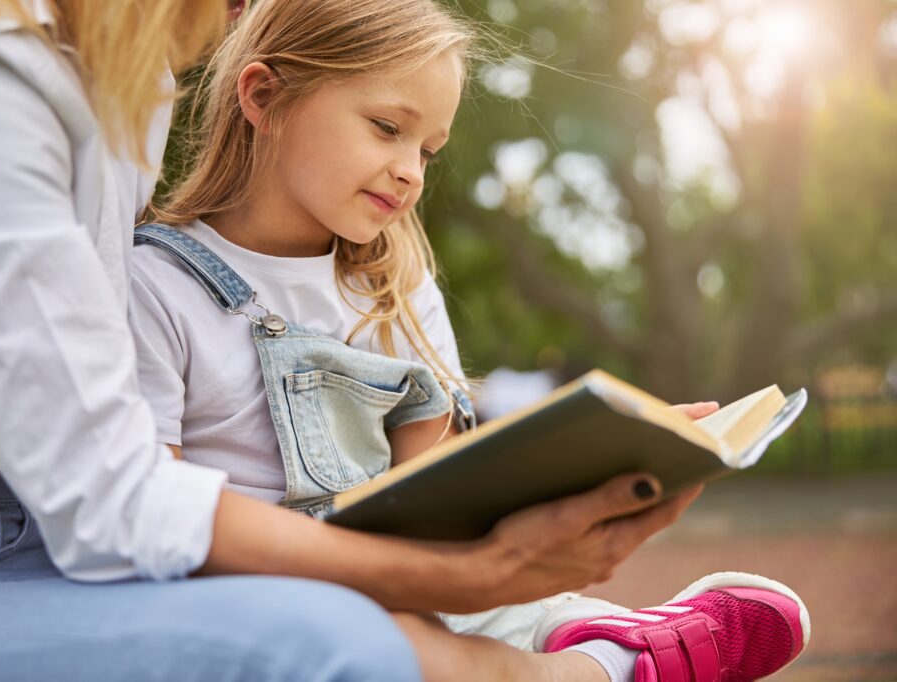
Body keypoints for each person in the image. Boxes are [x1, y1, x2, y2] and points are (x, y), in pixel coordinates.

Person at [128, 1, 811, 680]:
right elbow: (160, 527)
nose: (411, 172)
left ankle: (577, 632)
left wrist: (587, 464)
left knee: (482, 615)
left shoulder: (395, 283)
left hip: (419, 586)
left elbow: (436, 495)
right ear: (264, 95)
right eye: (386, 128)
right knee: (376, 641)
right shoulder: (155, 286)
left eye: (427, 151)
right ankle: (614, 664)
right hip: (256, 594)